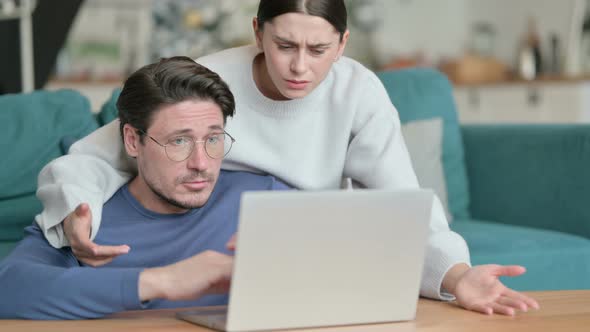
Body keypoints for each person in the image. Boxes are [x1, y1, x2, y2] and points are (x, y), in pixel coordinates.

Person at [34, 0, 538, 316]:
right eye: (284, 45)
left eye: (319, 50)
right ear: (258, 32)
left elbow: (406, 207)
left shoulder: (359, 93)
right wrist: (79, 214)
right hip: (224, 245)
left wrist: (457, 277)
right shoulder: (205, 82)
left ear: (342, 43)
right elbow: (96, 157)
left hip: (315, 252)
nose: (300, 67)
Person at [0, 57, 289, 319]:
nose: (201, 163)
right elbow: (9, 287)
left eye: (213, 139)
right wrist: (163, 281)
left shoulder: (263, 197)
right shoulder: (85, 221)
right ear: (132, 140)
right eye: (179, 141)